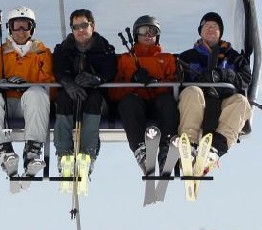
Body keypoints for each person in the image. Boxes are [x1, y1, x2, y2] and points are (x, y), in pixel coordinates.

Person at [0, 6, 54, 178]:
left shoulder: (42, 53)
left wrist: (27, 85)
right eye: (15, 26)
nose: (20, 31)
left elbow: (50, 84)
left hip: (29, 106)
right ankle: (4, 150)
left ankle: (32, 152)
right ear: (9, 28)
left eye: (25, 26)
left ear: (32, 28)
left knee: (37, 93)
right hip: (3, 106)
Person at [177, 11, 253, 173]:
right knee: (192, 92)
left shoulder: (233, 57)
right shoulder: (187, 57)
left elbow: (245, 79)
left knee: (241, 102)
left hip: (223, 102)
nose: (211, 29)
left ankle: (214, 150)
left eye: (215, 27)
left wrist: (224, 75)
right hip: (198, 102)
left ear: (220, 32)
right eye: (207, 26)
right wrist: (202, 80)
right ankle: (189, 147)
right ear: (201, 31)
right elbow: (177, 80)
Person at [108, 15, 180, 173]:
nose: (148, 35)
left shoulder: (167, 59)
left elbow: (174, 86)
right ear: (136, 34)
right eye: (143, 30)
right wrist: (133, 83)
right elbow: (113, 92)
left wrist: (156, 84)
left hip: (158, 104)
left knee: (168, 101)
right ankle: (141, 150)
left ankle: (166, 148)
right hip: (136, 104)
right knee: (128, 103)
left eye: (153, 31)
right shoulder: (125, 60)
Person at [52, 9, 117, 179]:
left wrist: (96, 79)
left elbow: (110, 71)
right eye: (75, 27)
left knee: (94, 99)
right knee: (63, 98)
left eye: (84, 25)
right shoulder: (64, 49)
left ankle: (87, 154)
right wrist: (68, 84)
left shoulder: (105, 49)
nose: (80, 30)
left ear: (92, 26)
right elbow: (58, 69)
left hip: (95, 101)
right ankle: (63, 154)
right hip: (71, 98)